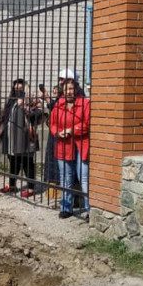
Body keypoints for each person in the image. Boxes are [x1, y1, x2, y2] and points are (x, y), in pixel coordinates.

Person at [50, 79, 91, 219]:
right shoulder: (59, 104)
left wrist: (72, 130)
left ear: (76, 89)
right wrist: (57, 132)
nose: (69, 92)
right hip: (64, 144)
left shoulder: (84, 103)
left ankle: (89, 210)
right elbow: (53, 124)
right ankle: (66, 208)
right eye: (66, 89)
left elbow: (86, 124)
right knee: (65, 177)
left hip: (81, 144)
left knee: (83, 177)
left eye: (72, 89)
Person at [0, 79, 41, 198]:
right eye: (15, 89)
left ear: (25, 89)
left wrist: (25, 107)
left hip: (25, 137)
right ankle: (12, 186)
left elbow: (39, 116)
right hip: (11, 138)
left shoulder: (31, 100)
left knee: (27, 163)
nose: (18, 91)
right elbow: (4, 116)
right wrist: (0, 127)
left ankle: (31, 188)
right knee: (13, 162)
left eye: (20, 89)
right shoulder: (11, 100)